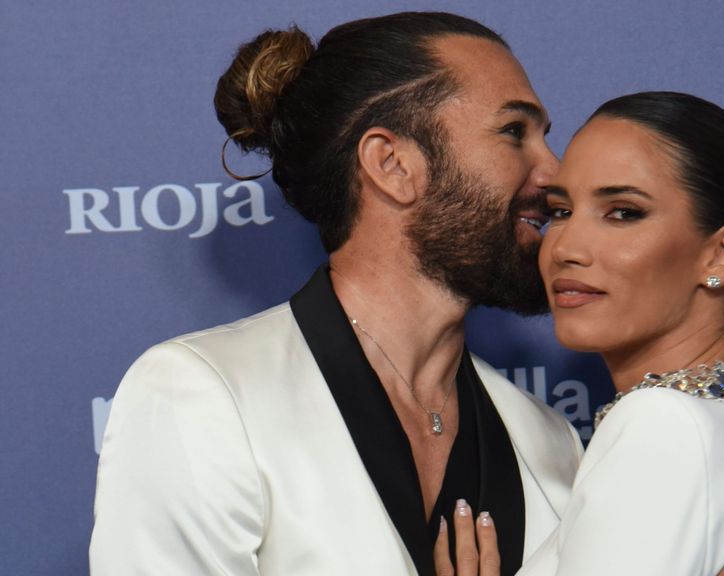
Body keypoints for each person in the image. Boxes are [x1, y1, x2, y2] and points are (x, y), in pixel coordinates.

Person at [90, 12, 583, 576]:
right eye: (515, 131)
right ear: (392, 164)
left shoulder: (549, 440)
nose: (555, 172)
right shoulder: (202, 396)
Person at [436, 92, 724, 575]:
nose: (566, 247)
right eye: (562, 211)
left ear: (720, 255)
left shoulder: (663, 424)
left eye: (624, 213)